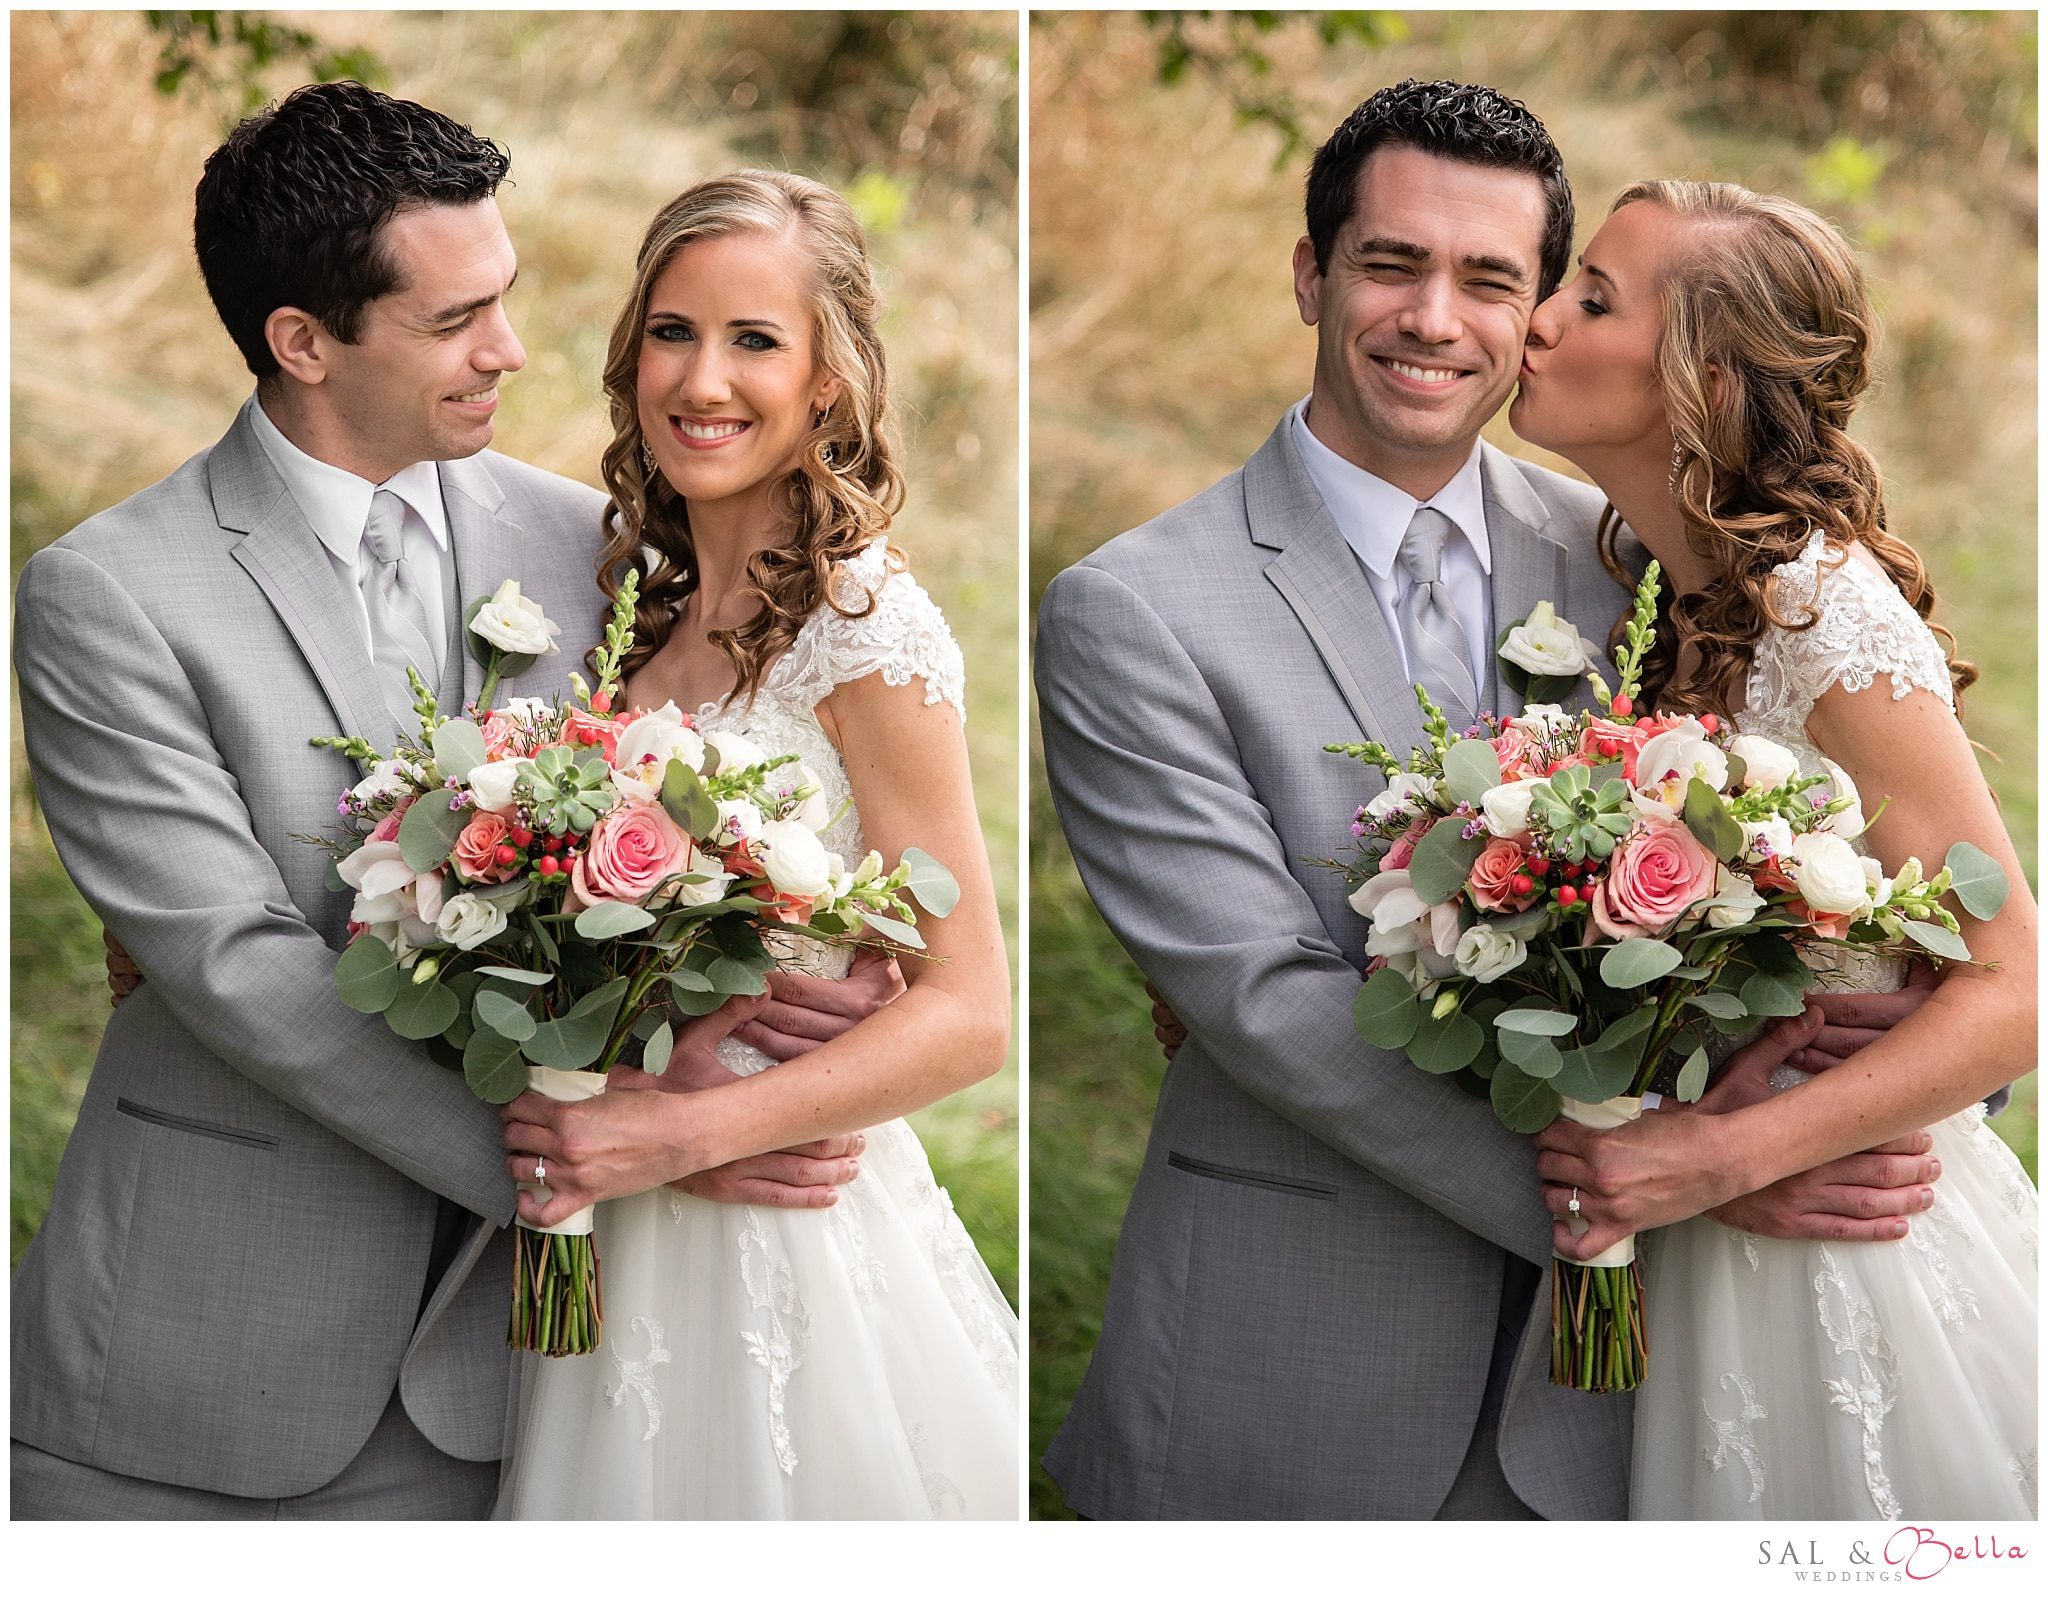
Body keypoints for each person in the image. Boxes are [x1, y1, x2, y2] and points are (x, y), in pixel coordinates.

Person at [1033, 79, 1943, 1520]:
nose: (1432, 320)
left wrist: (1846, 1089)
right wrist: (1662, 1190)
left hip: (1636, 1400)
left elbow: (1866, 866)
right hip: (1298, 1359)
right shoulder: (1133, 610)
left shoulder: (1634, 550)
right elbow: (1264, 998)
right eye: (1390, 264)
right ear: (1309, 271)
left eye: (1490, 279)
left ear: (1533, 316)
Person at [12, 82, 868, 1520]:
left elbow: (734, 814)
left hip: (524, 1381)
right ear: (303, 342)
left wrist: (810, 998)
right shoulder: (111, 597)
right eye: (454, 320)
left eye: (509, 298)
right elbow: (238, 969)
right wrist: (621, 1156)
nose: (513, 351)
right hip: (200, 1367)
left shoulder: (591, 543)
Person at [490, 171, 1018, 1519]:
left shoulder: (867, 632)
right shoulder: (628, 608)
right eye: (673, 332)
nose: (702, 380)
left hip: (779, 1229)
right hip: (611, 1211)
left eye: (755, 341)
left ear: (831, 381)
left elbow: (968, 1014)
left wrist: (684, 1136)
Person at [1514, 180, 2037, 1518]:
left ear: (1709, 379)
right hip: (1696, 1237)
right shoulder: (1658, 596)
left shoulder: (1820, 605)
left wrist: (1720, 1160)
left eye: (1592, 297)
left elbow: (2013, 985)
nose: (1536, 318)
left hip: (1845, 1243)